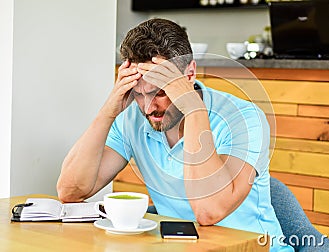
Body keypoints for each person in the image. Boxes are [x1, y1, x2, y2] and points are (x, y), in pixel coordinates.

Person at [57, 18, 293, 251]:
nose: (148, 108)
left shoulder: (244, 119)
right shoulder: (132, 119)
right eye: (137, 94)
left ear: (189, 74)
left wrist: (194, 109)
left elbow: (209, 211)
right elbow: (70, 191)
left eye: (159, 92)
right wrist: (108, 111)